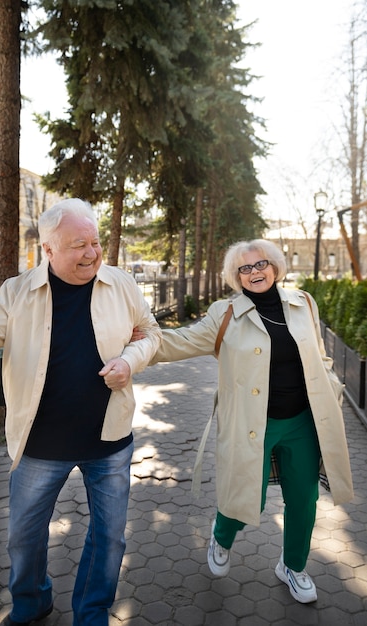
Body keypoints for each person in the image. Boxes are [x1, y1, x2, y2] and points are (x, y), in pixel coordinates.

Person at [0, 198, 161, 626]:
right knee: (24, 539)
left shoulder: (120, 284)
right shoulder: (17, 292)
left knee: (109, 540)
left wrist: (130, 361)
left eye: (95, 242)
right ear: (47, 249)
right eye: (78, 244)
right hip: (40, 444)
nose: (91, 252)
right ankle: (32, 603)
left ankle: (92, 613)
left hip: (109, 440)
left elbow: (150, 331)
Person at [147, 238, 353, 604]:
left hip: (303, 421)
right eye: (245, 268)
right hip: (251, 423)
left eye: (261, 264)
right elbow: (179, 341)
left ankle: (293, 567)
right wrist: (139, 340)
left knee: (304, 500)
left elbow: (318, 355)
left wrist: (332, 385)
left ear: (275, 267)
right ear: (236, 276)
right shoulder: (225, 313)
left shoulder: (303, 303)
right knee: (247, 499)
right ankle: (222, 536)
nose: (255, 272)